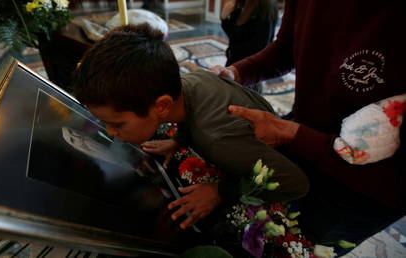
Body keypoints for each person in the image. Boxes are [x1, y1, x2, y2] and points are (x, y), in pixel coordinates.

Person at [210, 0, 405, 255]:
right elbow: (286, 48)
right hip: (303, 138)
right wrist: (237, 72)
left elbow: (395, 180)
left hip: (364, 187)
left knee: (292, 245)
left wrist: (291, 134)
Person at [72, 24, 309, 231]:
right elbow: (191, 115)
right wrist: (179, 141)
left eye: (117, 124)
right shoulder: (186, 83)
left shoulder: (216, 140)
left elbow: (296, 183)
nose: (111, 132)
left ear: (162, 106)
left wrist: (219, 191)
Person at [221, 0, 278, 66]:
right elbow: (235, 34)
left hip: (250, 67)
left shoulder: (265, 5)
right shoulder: (242, 2)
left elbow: (260, 45)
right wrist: (224, 18)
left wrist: (232, 52)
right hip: (235, 63)